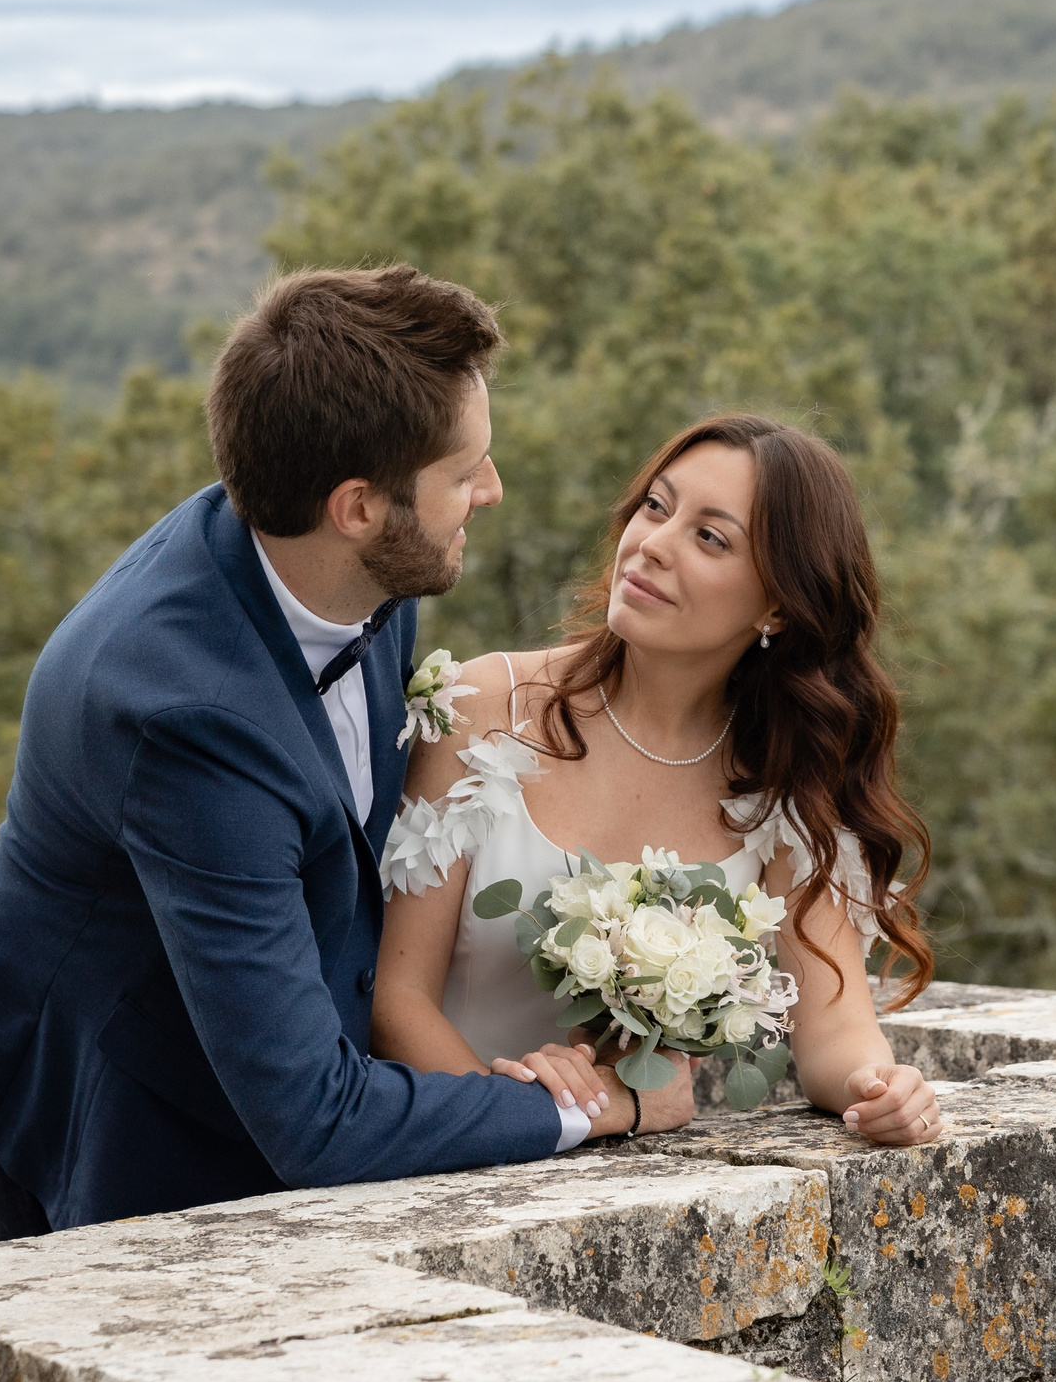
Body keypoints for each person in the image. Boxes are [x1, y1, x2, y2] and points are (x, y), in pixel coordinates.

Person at [0, 265, 595, 1237]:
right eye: (465, 472)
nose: (490, 491)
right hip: (119, 1100)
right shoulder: (188, 722)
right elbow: (317, 1124)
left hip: (257, 1048)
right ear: (359, 507)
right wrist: (582, 1107)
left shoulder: (358, 562)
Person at [372, 413, 943, 1145]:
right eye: (656, 506)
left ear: (777, 603)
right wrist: (532, 1124)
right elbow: (396, 999)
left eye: (710, 537)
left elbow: (835, 1034)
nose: (651, 546)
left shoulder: (789, 784)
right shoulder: (484, 708)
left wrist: (882, 1089)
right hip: (460, 1160)